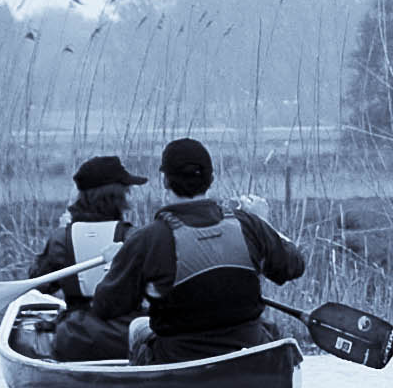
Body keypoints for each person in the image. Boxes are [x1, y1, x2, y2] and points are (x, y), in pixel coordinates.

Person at [85, 136, 304, 364]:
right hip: (248, 355)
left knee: (138, 327)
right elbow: (294, 266)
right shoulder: (249, 225)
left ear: (165, 182)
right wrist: (265, 224)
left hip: (178, 362)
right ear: (212, 179)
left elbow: (105, 307)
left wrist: (114, 264)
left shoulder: (147, 239)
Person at [28, 154, 146, 361]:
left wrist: (61, 232)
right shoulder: (133, 237)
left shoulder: (61, 239)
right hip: (125, 338)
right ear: (118, 197)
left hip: (74, 339)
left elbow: (40, 284)